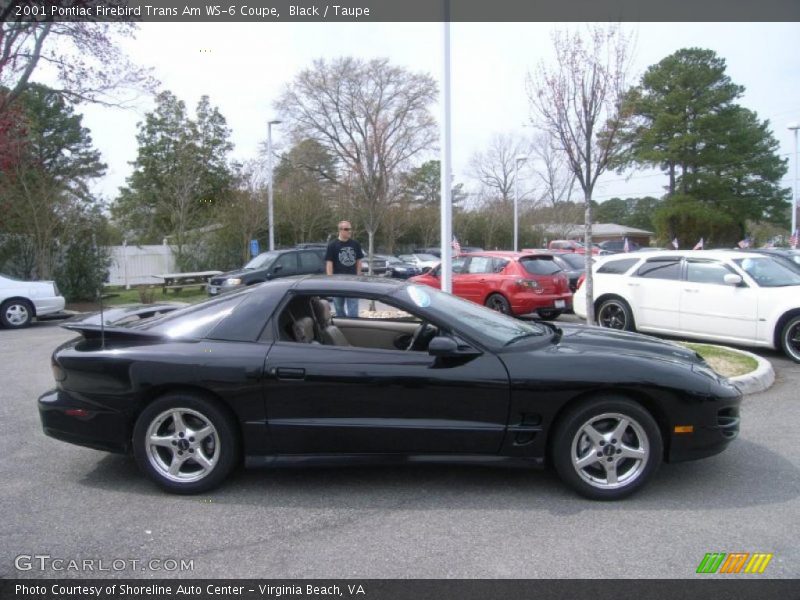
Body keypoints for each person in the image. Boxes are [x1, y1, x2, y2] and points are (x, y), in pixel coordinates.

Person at [325, 220, 364, 317]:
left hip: (353, 280)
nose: (349, 231)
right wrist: (330, 279)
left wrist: (358, 275)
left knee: (353, 307)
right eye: (347, 229)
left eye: (350, 229)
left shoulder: (355, 244)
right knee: (338, 307)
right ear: (340, 230)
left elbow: (359, 260)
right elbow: (329, 262)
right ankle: (342, 323)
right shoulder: (332, 245)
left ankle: (353, 324)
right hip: (337, 281)